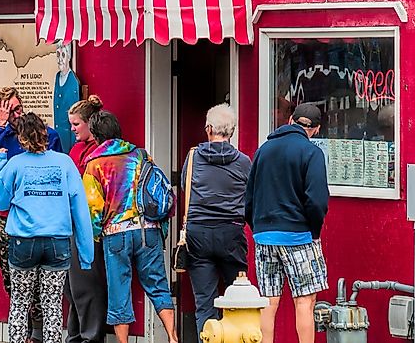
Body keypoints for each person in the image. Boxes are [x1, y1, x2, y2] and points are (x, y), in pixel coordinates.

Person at [0, 112, 94, 343]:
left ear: (21, 138)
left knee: (20, 301)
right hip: (58, 242)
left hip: (23, 241)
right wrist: (86, 255)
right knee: (52, 304)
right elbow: (80, 209)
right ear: (45, 134)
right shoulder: (64, 162)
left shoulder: (15, 164)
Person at [82, 110, 177, 343]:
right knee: (158, 285)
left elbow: (92, 208)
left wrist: (94, 237)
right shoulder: (140, 155)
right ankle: (173, 338)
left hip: (116, 235)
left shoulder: (94, 164)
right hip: (149, 231)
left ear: (95, 135)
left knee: (119, 293)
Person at [245, 103, 330, 343]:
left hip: (264, 238)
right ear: (316, 129)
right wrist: (314, 231)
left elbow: (248, 198)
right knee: (304, 300)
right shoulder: (311, 152)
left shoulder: (263, 150)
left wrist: (258, 228)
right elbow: (317, 201)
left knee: (268, 302)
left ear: (291, 119)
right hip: (299, 237)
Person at [0, 86, 61, 340]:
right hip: (10, 221)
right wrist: (0, 124)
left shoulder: (44, 134)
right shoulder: (2, 137)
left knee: (43, 289)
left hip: (41, 220)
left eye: (18, 107)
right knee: (15, 284)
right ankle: (25, 333)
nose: (17, 113)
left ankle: (37, 335)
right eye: (10, 110)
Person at [183, 104, 252, 335]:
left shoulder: (193, 157)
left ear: (208, 128)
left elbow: (185, 188)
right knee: (238, 300)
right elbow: (250, 197)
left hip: (198, 233)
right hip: (231, 233)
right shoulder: (243, 162)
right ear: (231, 131)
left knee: (204, 302)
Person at [65, 96, 107, 343]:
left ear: (91, 123)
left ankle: (90, 335)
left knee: (86, 286)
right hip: (71, 221)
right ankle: (76, 333)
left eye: (76, 124)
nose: (72, 129)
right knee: (72, 287)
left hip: (89, 225)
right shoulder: (76, 150)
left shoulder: (98, 152)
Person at [53, 46, 81, 152]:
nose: (60, 59)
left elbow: (75, 115)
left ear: (69, 56)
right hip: (58, 134)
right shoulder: (57, 77)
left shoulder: (72, 81)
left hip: (68, 137)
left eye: (63, 55)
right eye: (58, 55)